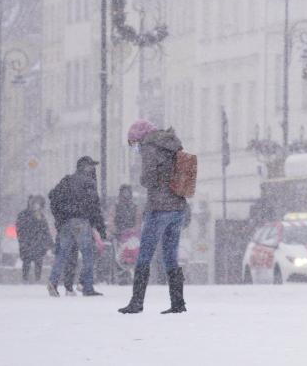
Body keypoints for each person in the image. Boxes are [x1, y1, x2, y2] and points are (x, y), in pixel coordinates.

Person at [119, 120, 189, 315]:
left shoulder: (149, 147)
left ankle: (136, 302)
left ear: (139, 137)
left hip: (159, 207)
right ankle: (178, 302)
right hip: (177, 207)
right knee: (170, 256)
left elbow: (149, 178)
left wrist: (143, 179)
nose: (135, 147)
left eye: (134, 142)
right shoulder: (172, 143)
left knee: (145, 255)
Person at [47, 156, 105, 297]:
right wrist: (99, 226)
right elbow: (94, 206)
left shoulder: (67, 180)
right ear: (85, 167)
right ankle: (87, 286)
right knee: (88, 254)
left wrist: (60, 217)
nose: (93, 169)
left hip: (66, 222)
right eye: (91, 166)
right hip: (81, 221)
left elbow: (52, 196)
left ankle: (53, 281)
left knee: (62, 254)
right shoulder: (89, 182)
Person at [16, 196, 53, 283]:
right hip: (28, 242)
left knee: (38, 262)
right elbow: (20, 229)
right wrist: (23, 240)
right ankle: (25, 279)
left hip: (37, 243)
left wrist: (50, 243)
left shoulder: (40, 215)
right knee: (27, 262)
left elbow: (45, 230)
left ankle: (36, 279)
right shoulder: (24, 215)